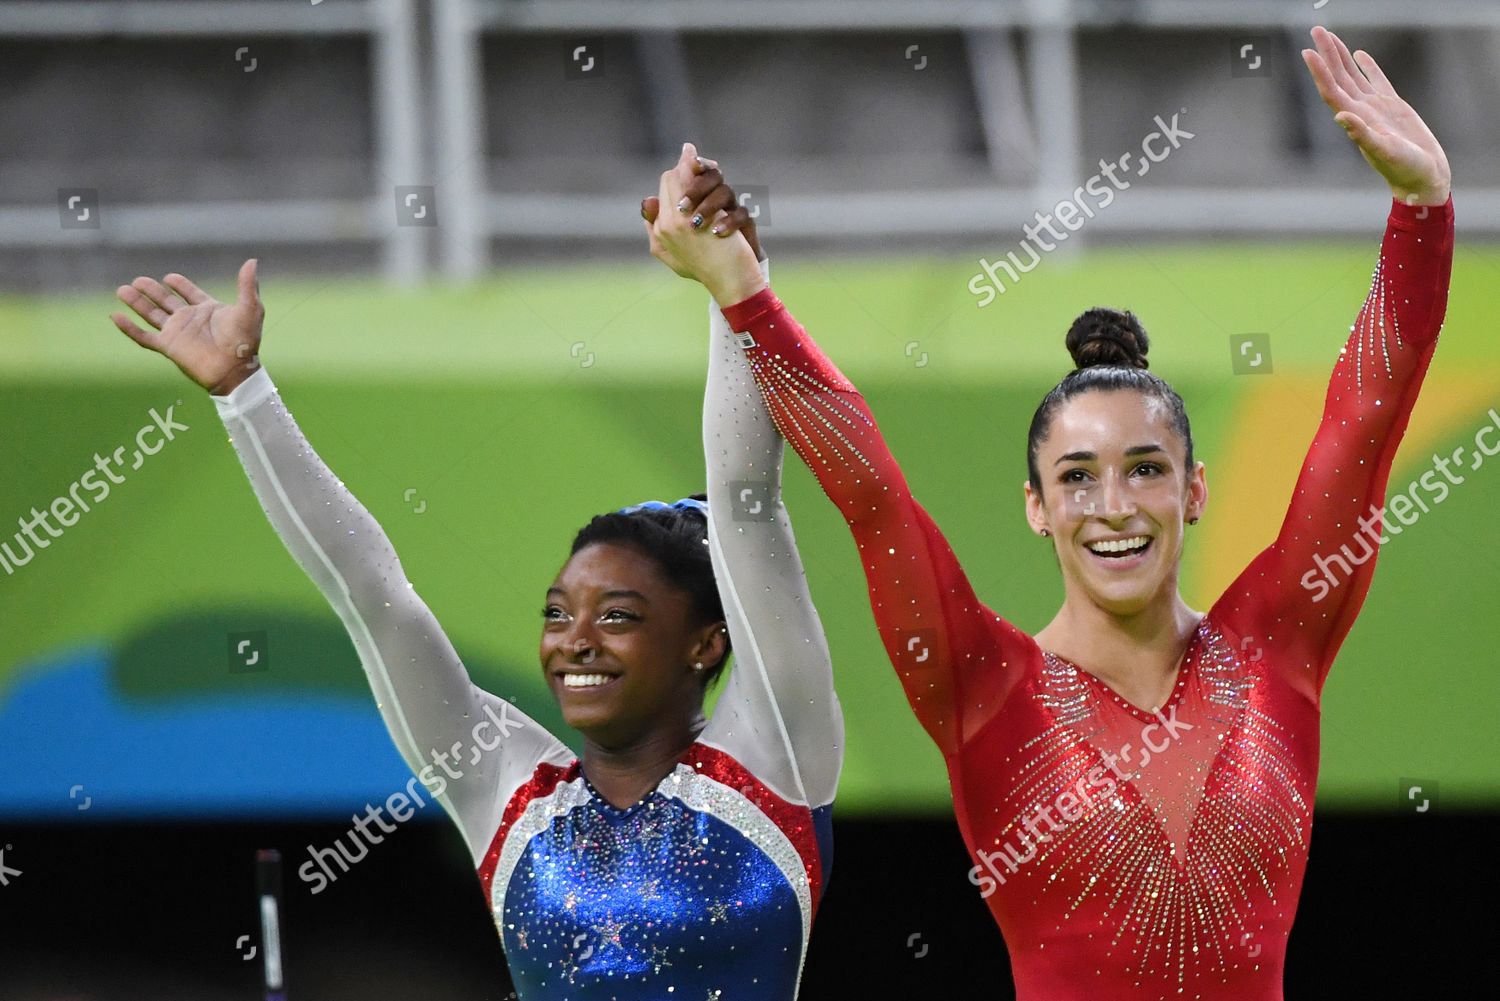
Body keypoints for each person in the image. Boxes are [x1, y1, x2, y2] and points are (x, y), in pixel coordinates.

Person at [644, 27, 1453, 1000]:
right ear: (1037, 506)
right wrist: (744, 295)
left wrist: (1422, 207)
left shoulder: (1280, 638)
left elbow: (1367, 418)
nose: (1114, 506)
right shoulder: (983, 684)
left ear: (1195, 490)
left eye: (1146, 468)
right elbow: (872, 497)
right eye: (1077, 476)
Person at [107, 148, 842, 1000]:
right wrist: (243, 394)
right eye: (559, 611)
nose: (576, 641)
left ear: (708, 642)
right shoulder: (507, 790)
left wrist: (733, 286)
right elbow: (371, 596)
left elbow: (746, 500)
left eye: (620, 615)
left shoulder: (776, 753)